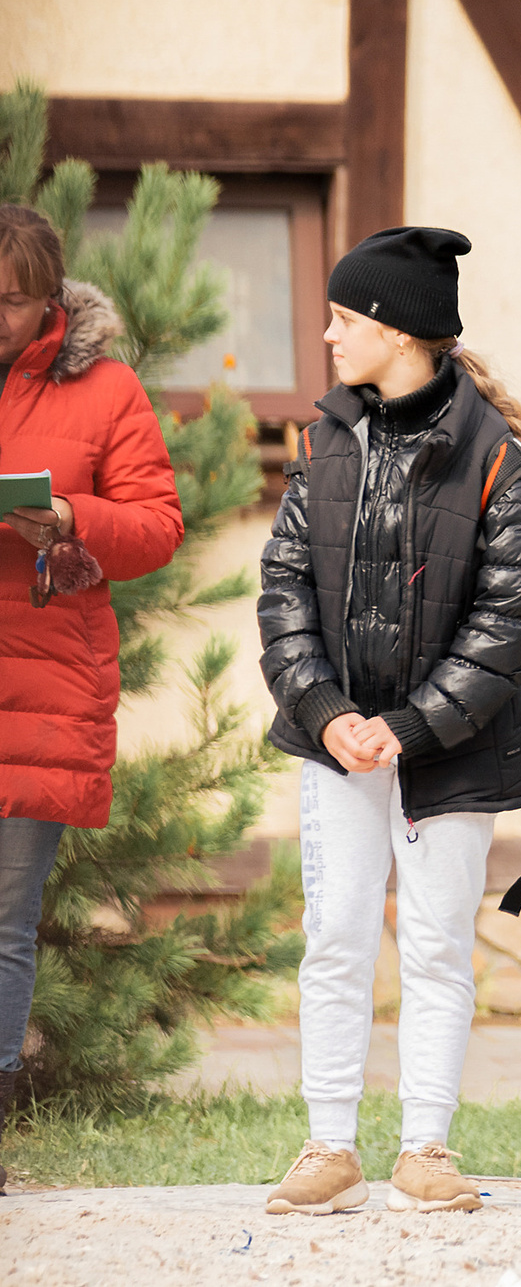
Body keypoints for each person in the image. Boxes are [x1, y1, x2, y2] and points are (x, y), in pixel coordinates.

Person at [257, 226, 521, 1216]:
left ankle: (425, 1145)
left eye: (344, 318)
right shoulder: (326, 441)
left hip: (451, 754)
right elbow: (284, 590)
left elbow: (507, 623)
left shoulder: (502, 464)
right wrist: (327, 710)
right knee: (335, 935)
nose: (329, 336)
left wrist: (414, 726)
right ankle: (328, 1145)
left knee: (434, 945)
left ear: (394, 328)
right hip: (337, 745)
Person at [0, 205, 182, 1191]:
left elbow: (158, 525)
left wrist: (70, 512)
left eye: (11, 299)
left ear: (51, 301)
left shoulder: (106, 389)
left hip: (43, 683)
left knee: (2, 916)